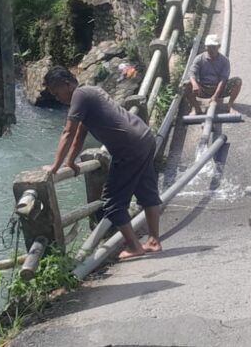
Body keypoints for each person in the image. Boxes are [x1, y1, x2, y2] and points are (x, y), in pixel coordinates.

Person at [43, 67, 162, 260]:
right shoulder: (91, 91)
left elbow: (68, 132)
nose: (57, 98)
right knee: (147, 192)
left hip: (129, 148)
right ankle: (154, 241)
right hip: (144, 138)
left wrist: (55, 167)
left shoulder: (79, 95)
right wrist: (70, 162)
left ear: (67, 84)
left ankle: (134, 246)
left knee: (112, 202)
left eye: (57, 93)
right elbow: (79, 135)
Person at [184, 34, 242, 114]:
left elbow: (223, 80)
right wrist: (194, 84)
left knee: (237, 81)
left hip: (219, 88)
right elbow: (191, 72)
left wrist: (215, 96)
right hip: (203, 88)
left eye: (214, 47)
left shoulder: (224, 61)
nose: (211, 50)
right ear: (206, 47)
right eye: (209, 47)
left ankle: (230, 105)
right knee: (186, 84)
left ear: (219, 46)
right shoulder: (199, 59)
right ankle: (196, 108)